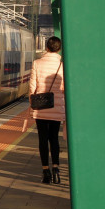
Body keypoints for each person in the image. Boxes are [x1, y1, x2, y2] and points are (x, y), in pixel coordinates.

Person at [23, 36, 65, 184]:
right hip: (56, 108)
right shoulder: (62, 66)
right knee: (54, 138)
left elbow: (32, 88)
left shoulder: (37, 63)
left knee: (42, 138)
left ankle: (45, 171)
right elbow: (64, 89)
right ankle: (56, 169)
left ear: (47, 47)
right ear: (59, 49)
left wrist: (32, 102)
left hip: (40, 108)